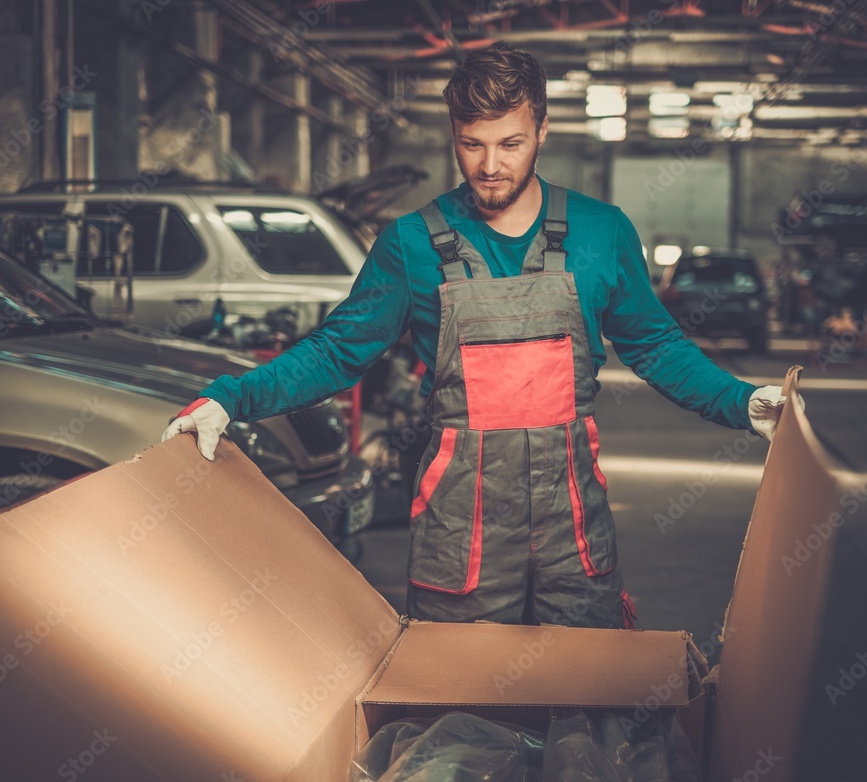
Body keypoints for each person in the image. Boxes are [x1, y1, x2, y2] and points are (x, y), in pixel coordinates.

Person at [162, 42, 793, 630]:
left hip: (572, 522)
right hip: (459, 530)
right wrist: (231, 397)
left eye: (511, 143)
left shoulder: (602, 233)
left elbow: (656, 345)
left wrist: (738, 401)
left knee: (588, 694)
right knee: (456, 703)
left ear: (542, 131)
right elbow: (338, 350)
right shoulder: (411, 244)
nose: (490, 166)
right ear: (453, 137)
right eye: (472, 145)